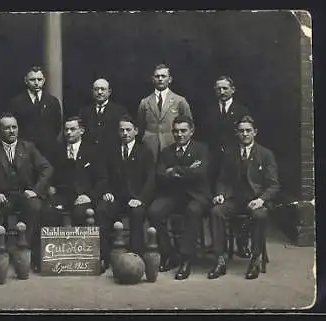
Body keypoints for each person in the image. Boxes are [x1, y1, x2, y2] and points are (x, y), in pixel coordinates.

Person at [0, 113, 53, 273]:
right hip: (1, 195)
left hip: (23, 194)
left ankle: (26, 247)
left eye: (14, 127)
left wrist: (36, 190)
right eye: (7, 128)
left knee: (35, 206)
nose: (11, 131)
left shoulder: (28, 147)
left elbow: (47, 168)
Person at [208, 115, 279, 280]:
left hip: (256, 200)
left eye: (248, 130)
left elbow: (274, 185)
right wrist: (220, 194)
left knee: (260, 214)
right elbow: (222, 179)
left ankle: (255, 259)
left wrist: (261, 199)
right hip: (234, 199)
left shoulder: (265, 154)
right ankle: (220, 259)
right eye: (241, 131)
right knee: (216, 212)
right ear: (236, 133)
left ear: (255, 132)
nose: (245, 134)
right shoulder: (230, 154)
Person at [147, 115, 210, 280]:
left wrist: (173, 171)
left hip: (195, 196)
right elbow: (159, 174)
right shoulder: (166, 151)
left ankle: (185, 258)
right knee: (154, 212)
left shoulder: (201, 149)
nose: (179, 135)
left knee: (193, 211)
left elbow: (200, 173)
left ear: (192, 131)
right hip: (173, 196)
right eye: (175, 131)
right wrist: (186, 169)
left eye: (183, 131)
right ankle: (169, 253)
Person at [97, 115, 155, 273]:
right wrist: (106, 191)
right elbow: (103, 175)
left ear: (136, 131)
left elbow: (150, 180)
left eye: (128, 130)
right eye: (121, 130)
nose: (125, 133)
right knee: (102, 210)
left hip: (136, 198)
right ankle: (104, 257)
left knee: (137, 213)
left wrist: (141, 199)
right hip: (116, 197)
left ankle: (135, 257)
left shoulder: (145, 151)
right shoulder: (111, 150)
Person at [203, 76, 252, 258]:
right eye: (218, 89)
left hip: (235, 163)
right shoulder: (210, 112)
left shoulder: (241, 111)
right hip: (215, 163)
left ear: (233, 89)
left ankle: (242, 243)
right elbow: (205, 137)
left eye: (225, 88)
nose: (222, 92)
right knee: (215, 201)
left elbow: (246, 138)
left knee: (238, 198)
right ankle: (218, 244)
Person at [47, 116, 107, 227]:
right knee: (50, 212)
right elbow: (51, 173)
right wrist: (51, 186)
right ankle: (59, 243)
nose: (68, 133)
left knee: (80, 214)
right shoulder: (57, 151)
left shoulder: (93, 151)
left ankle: (80, 244)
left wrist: (89, 196)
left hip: (84, 195)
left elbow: (102, 179)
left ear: (82, 131)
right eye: (66, 130)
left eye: (72, 129)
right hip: (62, 194)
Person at [7, 66, 62, 164]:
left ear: (44, 80)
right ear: (26, 81)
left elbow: (57, 125)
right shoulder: (16, 102)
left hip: (48, 151)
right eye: (32, 79)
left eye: (39, 79)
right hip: (25, 151)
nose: (36, 83)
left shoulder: (52, 101)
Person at [137, 64, 192, 161]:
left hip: (171, 144)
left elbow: (189, 124)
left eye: (163, 76)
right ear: (153, 79)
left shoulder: (179, 101)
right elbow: (141, 125)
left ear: (170, 79)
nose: (160, 79)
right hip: (150, 146)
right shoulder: (145, 102)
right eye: (157, 76)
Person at [79, 78, 127, 160]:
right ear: (92, 92)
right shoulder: (85, 112)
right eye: (96, 89)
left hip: (112, 157)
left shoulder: (119, 111)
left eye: (103, 89)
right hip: (90, 157)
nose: (99, 92)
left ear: (109, 92)